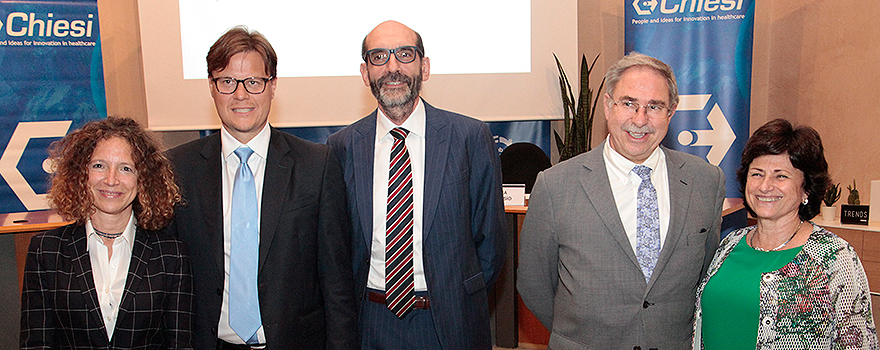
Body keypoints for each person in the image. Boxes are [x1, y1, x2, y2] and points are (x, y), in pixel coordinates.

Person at [517, 52, 726, 349]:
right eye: (628, 103)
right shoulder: (555, 185)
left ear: (671, 111)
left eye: (654, 106)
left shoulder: (705, 181)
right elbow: (534, 282)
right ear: (607, 105)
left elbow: (706, 273)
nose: (640, 120)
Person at [165, 26, 357, 349]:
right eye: (227, 82)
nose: (241, 95)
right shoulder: (178, 168)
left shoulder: (317, 165)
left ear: (273, 87)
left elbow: (337, 285)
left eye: (254, 82)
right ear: (211, 88)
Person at [327, 20, 506, 350]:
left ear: (424, 67)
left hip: (450, 324)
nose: (393, 67)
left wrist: (456, 297)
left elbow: (491, 244)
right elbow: (336, 250)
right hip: (369, 323)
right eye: (379, 57)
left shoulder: (469, 137)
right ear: (365, 73)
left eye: (405, 55)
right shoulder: (341, 147)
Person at [693, 119, 878, 349]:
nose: (765, 186)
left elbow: (859, 343)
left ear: (806, 189)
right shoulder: (730, 243)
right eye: (757, 174)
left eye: (781, 176)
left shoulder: (835, 258)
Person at [20, 117, 192, 349]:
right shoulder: (46, 250)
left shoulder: (171, 255)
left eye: (125, 168)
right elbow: (36, 344)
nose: (111, 180)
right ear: (81, 174)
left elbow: (180, 344)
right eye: (99, 165)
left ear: (143, 180)